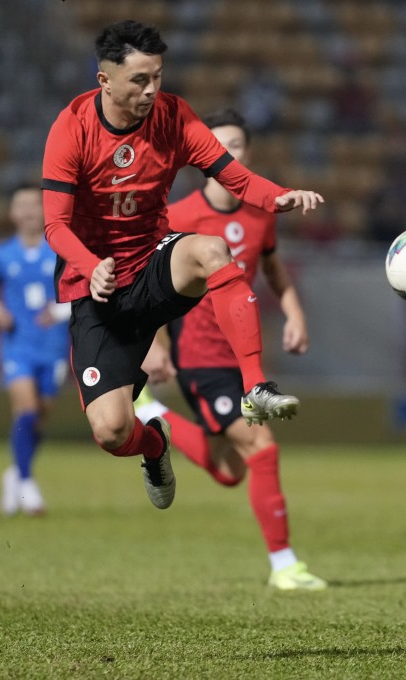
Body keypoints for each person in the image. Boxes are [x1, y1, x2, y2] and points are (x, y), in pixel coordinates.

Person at [40, 20, 323, 511]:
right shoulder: (72, 128)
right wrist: (90, 265)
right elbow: (55, 226)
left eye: (158, 77)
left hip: (152, 261)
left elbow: (233, 175)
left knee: (212, 251)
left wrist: (279, 198)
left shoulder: (173, 116)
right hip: (97, 291)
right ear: (104, 80)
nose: (153, 89)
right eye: (140, 80)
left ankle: (255, 386)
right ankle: (155, 445)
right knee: (111, 431)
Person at [133, 108, 326, 590]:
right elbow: (149, 286)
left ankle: (152, 414)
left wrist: (296, 311)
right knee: (262, 446)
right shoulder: (177, 218)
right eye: (218, 146)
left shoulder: (262, 211)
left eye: (236, 145)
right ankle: (285, 565)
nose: (227, 153)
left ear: (247, 153)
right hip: (200, 356)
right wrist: (156, 343)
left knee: (229, 471)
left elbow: (273, 267)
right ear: (203, 157)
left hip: (243, 358)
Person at [0, 185, 70, 517]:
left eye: (35, 204)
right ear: (12, 213)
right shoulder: (2, 255)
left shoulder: (60, 250)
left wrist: (61, 312)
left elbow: (82, 291)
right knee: (26, 411)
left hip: (55, 347)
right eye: (22, 205)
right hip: (18, 346)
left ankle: (14, 474)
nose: (29, 211)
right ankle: (28, 484)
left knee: (38, 420)